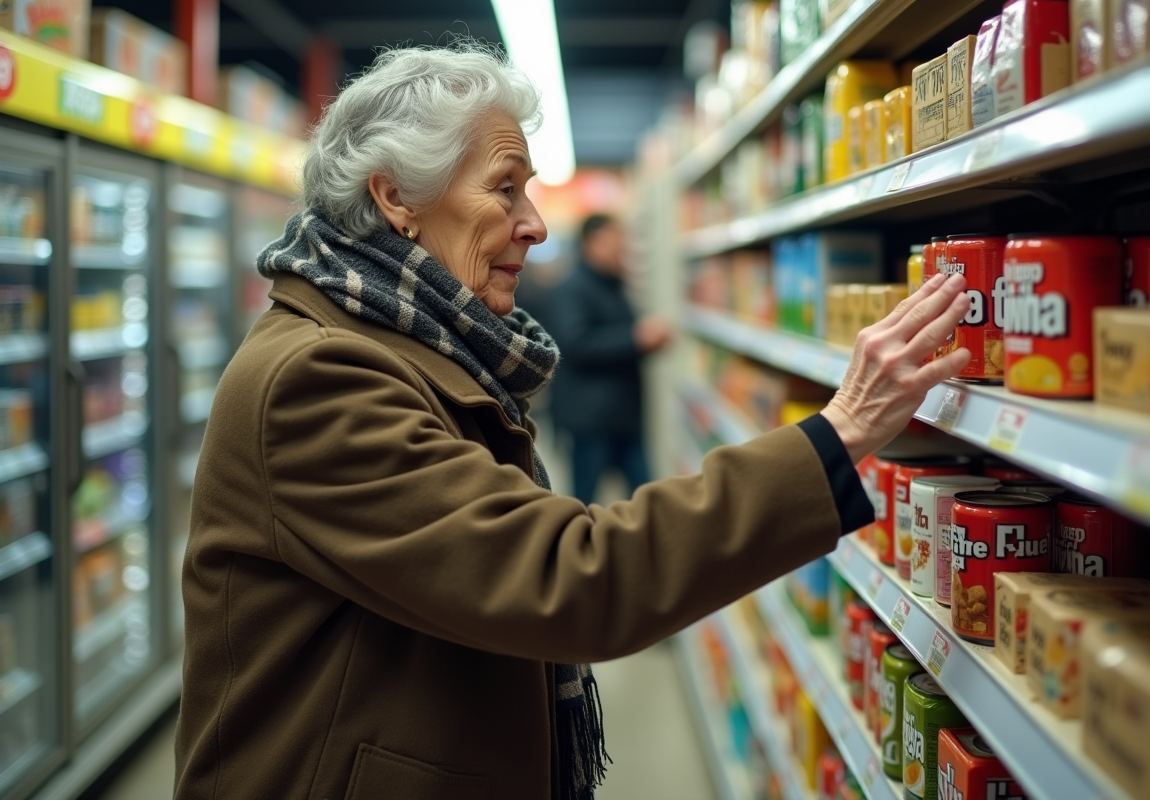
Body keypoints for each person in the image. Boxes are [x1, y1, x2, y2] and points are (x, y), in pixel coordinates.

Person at [174, 40, 971, 800]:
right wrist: (839, 434)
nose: (536, 223)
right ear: (395, 198)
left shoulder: (412, 341)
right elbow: (571, 578)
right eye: (504, 187)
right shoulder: (319, 378)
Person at [550, 214, 669, 504]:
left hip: (623, 417)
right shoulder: (570, 290)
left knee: (646, 497)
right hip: (591, 422)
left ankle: (650, 547)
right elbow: (576, 344)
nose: (624, 249)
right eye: (618, 241)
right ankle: (578, 548)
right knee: (584, 502)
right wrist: (636, 337)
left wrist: (643, 340)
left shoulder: (612, 285)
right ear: (595, 243)